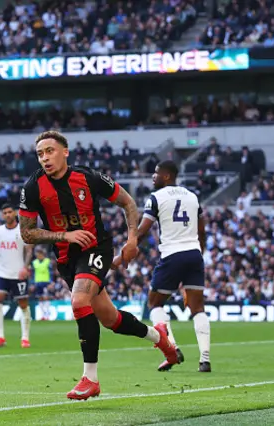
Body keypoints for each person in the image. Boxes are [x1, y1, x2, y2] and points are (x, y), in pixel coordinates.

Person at [18, 131, 178, 400]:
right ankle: (159, 337)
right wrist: (63, 236)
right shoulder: (32, 188)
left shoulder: (88, 177)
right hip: (66, 258)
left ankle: (90, 378)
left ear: (65, 152)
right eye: (40, 154)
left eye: (50, 151)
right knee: (111, 320)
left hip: (96, 247)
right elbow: (27, 233)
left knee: (79, 301)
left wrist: (131, 240)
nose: (45, 158)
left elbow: (127, 202)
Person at [114, 160, 211, 373]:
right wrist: (199, 254)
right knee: (197, 308)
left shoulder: (156, 198)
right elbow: (202, 231)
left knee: (155, 302)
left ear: (167, 176)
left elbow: (142, 230)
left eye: (156, 173)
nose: (153, 177)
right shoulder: (193, 197)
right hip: (194, 254)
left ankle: (173, 349)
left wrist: (122, 254)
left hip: (172, 255)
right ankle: (205, 359)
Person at [0, 203, 33, 348]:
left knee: (23, 304)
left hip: (18, 273)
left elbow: (29, 250)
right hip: (2, 273)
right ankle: (0, 336)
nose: (7, 215)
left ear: (15, 213)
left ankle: (25, 338)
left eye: (9, 212)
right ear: (2, 215)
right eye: (5, 213)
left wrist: (25, 268)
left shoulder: (23, 230)